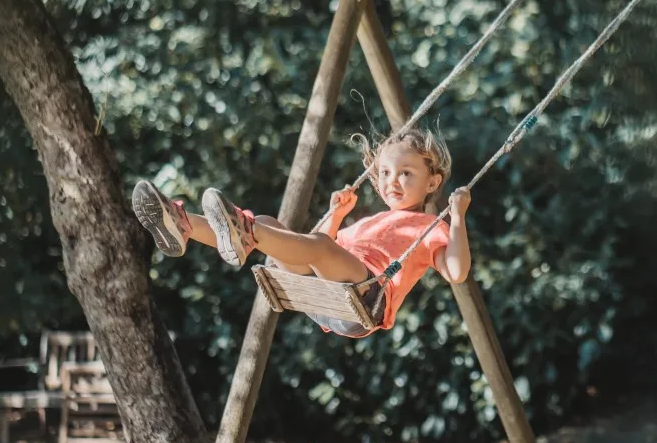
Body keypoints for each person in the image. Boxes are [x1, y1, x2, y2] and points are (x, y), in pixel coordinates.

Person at [131, 127, 472, 336]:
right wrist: (336, 215)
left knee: (316, 245)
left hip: (365, 299)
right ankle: (184, 226)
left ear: (433, 182)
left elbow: (456, 272)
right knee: (267, 223)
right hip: (322, 292)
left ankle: (243, 232)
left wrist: (457, 217)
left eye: (405, 173)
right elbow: (311, 246)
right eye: (385, 172)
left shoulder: (430, 226)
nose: (391, 181)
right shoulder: (370, 222)